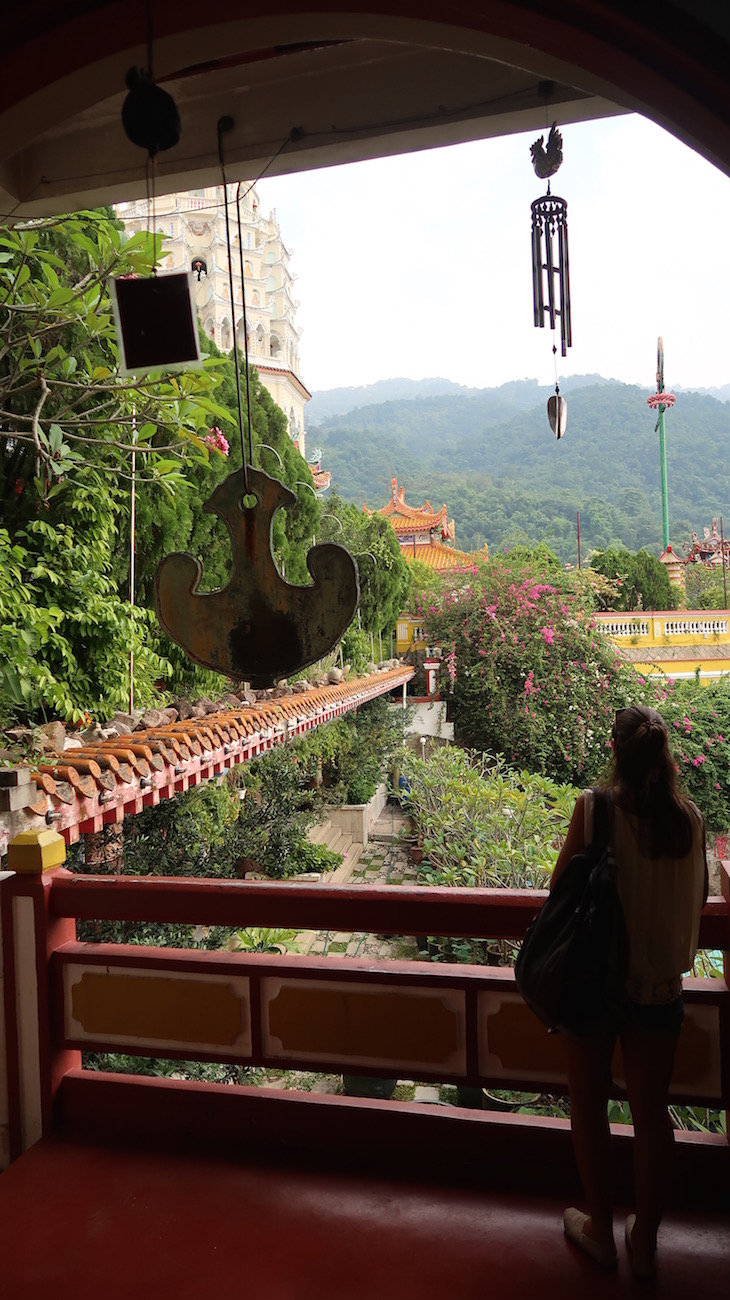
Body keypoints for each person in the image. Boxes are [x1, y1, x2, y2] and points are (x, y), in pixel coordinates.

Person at [551, 705, 707, 1277]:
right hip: (660, 987)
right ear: (665, 759)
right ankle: (646, 1245)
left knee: (589, 1105)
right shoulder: (689, 819)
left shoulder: (594, 810)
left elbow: (559, 893)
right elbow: (699, 896)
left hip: (595, 983)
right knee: (652, 1115)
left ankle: (599, 1228)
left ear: (615, 753)